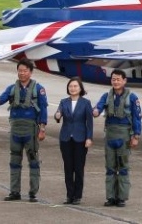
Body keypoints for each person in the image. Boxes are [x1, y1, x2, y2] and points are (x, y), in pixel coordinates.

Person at [0, 59, 48, 202]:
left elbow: (43, 109)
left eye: (25, 71)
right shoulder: (12, 88)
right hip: (15, 129)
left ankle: (33, 193)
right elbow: (1, 100)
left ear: (30, 72)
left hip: (31, 130)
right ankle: (14, 192)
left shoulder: (38, 89)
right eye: (20, 71)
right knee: (14, 161)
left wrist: (42, 129)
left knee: (33, 161)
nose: (22, 73)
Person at [92, 69, 142, 207]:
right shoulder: (106, 96)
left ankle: (121, 198)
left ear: (124, 81)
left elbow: (137, 117)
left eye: (118, 79)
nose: (115, 82)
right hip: (110, 135)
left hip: (124, 135)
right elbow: (98, 107)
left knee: (123, 168)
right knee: (110, 168)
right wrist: (95, 111)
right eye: (113, 79)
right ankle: (111, 197)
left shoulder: (132, 97)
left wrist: (136, 136)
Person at [54, 77, 93, 205]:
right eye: (70, 86)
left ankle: (77, 196)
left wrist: (89, 138)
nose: (73, 88)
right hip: (66, 138)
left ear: (80, 88)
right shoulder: (64, 102)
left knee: (78, 168)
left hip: (80, 138)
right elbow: (58, 114)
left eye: (75, 86)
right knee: (68, 167)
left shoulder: (86, 103)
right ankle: (69, 195)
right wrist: (57, 116)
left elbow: (89, 122)